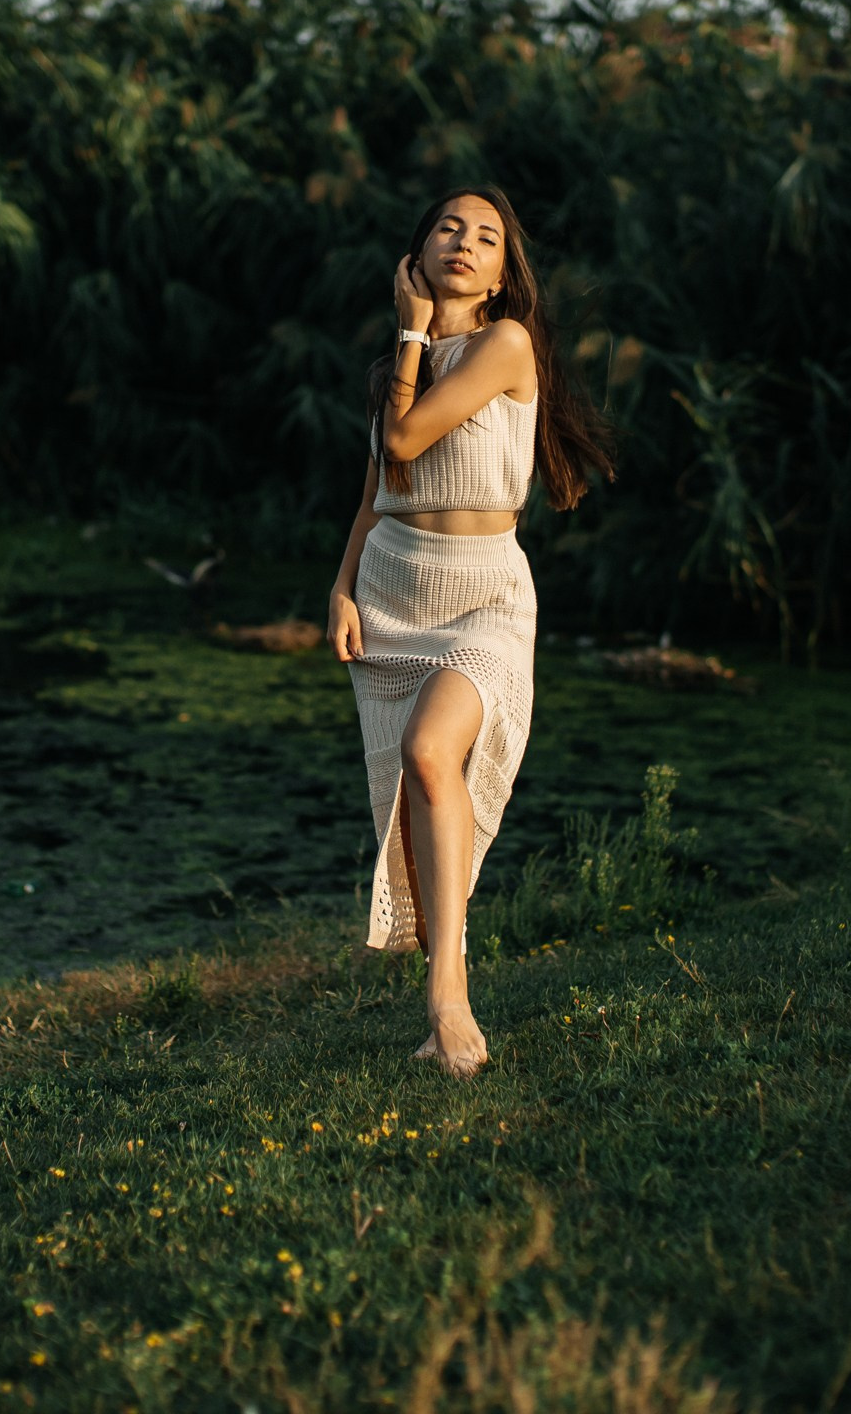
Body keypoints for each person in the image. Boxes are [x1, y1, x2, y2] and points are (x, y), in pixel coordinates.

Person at [324, 186, 613, 1076]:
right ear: (418, 249)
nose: (465, 242)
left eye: (487, 237)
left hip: (485, 599)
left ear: (500, 273)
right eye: (449, 226)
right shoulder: (395, 367)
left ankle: (450, 1003)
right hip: (394, 593)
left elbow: (409, 441)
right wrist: (341, 588)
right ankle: (440, 1012)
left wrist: (412, 333)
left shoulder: (504, 343)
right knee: (416, 774)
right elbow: (380, 486)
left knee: (428, 750)